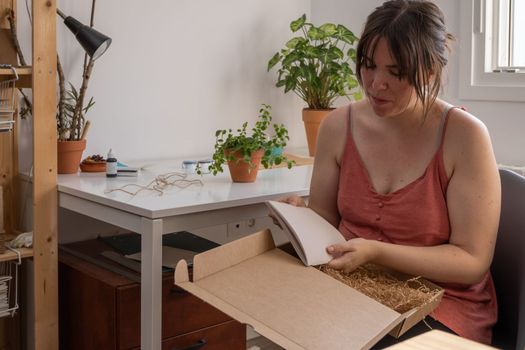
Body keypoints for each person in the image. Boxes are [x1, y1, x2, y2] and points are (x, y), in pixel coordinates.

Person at [281, 0, 500, 346]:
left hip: (441, 305)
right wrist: (300, 218)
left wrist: (378, 252)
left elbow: (471, 260)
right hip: (353, 292)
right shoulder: (338, 126)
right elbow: (325, 217)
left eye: (395, 72)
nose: (376, 83)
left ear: (429, 72)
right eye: (368, 66)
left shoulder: (464, 136)